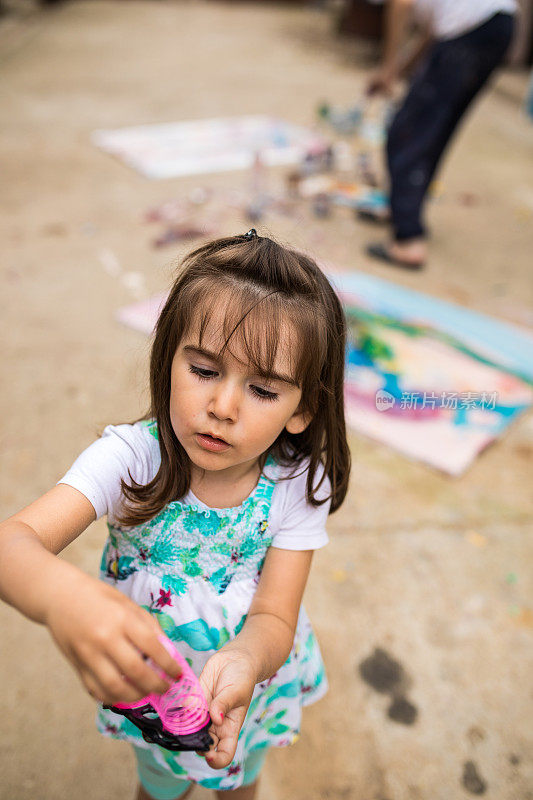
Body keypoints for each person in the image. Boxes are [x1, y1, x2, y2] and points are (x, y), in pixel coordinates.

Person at [0, 230, 351, 800]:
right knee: (161, 790)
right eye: (205, 370)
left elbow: (276, 617)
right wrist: (63, 598)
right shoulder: (130, 458)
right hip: (157, 694)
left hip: (251, 685)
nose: (223, 407)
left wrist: (246, 656)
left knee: (241, 780)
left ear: (302, 410)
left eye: (263, 389)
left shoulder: (295, 485)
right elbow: (12, 542)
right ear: (168, 358)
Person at [363, 0, 517, 269]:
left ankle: (408, 239)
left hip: (470, 28)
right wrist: (397, 72)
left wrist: (387, 69)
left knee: (408, 131)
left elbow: (400, 6)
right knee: (435, 127)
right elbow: (432, 36)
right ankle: (400, 208)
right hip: (499, 23)